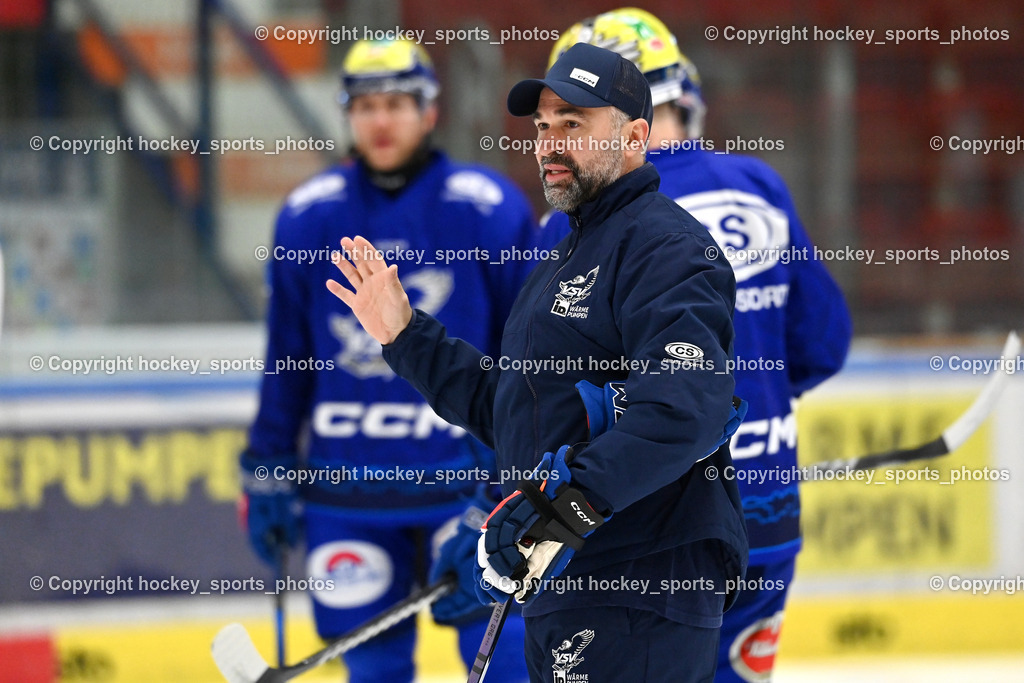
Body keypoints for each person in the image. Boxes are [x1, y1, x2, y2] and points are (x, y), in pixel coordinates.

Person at [326, 42, 749, 683]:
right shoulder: (565, 254)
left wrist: (562, 507)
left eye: (573, 125)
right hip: (570, 577)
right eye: (544, 127)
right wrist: (406, 336)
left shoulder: (667, 247)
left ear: (635, 135)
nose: (550, 143)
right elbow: (520, 410)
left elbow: (683, 409)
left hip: (642, 579)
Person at [547, 9, 853, 682]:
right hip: (767, 516)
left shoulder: (579, 221)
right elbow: (824, 343)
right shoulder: (759, 186)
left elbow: (548, 398)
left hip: (652, 535)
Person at [240, 37, 547, 683]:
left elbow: (531, 357)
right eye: (367, 104)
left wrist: (517, 477)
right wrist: (267, 462)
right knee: (373, 668)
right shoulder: (307, 215)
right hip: (345, 491)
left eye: (399, 104)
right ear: (347, 113)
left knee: (506, 660)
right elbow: (286, 357)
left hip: (468, 490)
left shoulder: (486, 208)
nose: (381, 120)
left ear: (430, 111)